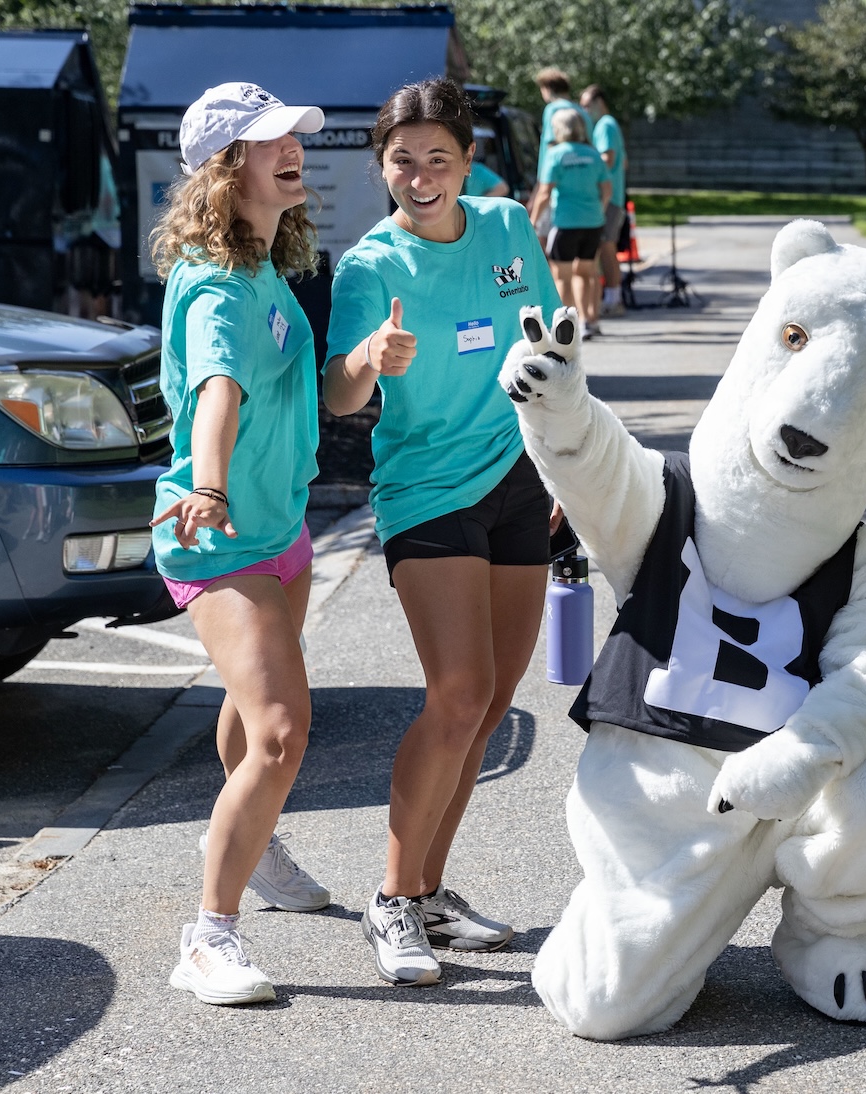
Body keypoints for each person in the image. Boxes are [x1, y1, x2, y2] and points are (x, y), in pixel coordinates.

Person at [324, 78, 564, 988]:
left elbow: (548, 344)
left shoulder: (505, 228)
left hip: (517, 479)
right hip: (427, 489)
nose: (419, 176)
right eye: (401, 159)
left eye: (437, 158)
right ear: (382, 165)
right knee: (458, 695)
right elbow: (339, 396)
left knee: (494, 702)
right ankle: (389, 902)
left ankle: (427, 891)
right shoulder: (370, 266)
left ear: (467, 162)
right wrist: (365, 360)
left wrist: (566, 467)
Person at [148, 81, 329, 1005]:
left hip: (278, 525)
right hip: (220, 535)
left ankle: (257, 847)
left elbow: (299, 389)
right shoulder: (220, 283)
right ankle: (207, 940)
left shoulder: (260, 265)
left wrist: (366, 364)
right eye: (269, 143)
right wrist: (209, 481)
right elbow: (217, 386)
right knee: (281, 731)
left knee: (252, 716)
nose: (292, 149)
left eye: (294, 138)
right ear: (225, 168)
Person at [533, 109, 610, 338]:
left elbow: (545, 192)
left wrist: (532, 221)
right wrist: (599, 210)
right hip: (593, 222)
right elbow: (607, 189)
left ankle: (566, 325)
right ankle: (588, 320)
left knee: (562, 276)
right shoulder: (593, 154)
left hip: (566, 223)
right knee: (586, 272)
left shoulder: (556, 154)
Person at [526, 67, 592, 241]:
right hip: (586, 192)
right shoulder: (582, 113)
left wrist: (539, 190)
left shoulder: (553, 109)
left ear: (547, 88)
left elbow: (551, 151)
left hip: (556, 188)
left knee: (540, 238)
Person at [580, 85, 626, 317]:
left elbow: (608, 159)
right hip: (613, 195)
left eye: (587, 105)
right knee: (606, 247)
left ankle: (613, 299)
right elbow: (622, 164)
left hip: (608, 197)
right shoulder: (607, 125)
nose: (584, 111)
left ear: (600, 102)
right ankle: (611, 297)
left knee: (607, 248)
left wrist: (588, 171)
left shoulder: (605, 125)